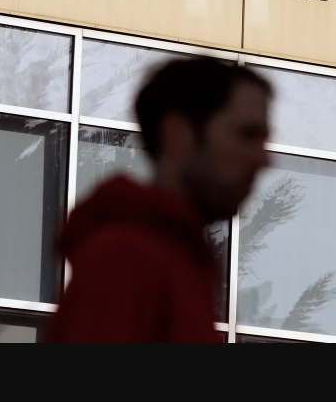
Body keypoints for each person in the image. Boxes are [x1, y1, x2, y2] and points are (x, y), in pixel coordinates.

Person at [45, 57, 272, 342]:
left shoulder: (176, 263)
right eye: (246, 135)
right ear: (177, 134)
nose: (263, 159)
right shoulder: (126, 259)